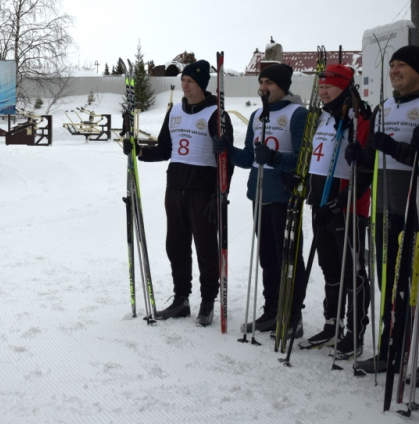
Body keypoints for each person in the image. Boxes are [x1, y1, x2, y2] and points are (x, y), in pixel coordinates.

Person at [124, 59, 234, 326]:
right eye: (183, 80)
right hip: (175, 188)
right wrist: (138, 151)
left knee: (206, 248)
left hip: (203, 190)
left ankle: (208, 300)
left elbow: (226, 160)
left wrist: (219, 195)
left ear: (201, 85)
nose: (184, 85)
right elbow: (164, 149)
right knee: (176, 245)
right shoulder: (174, 111)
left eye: (190, 81)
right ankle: (181, 299)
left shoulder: (216, 114)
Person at [212, 63, 307, 337]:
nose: (263, 88)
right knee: (267, 257)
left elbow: (303, 159)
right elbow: (248, 158)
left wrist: (276, 159)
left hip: (284, 196)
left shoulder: (297, 113)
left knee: (288, 258)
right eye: (261, 82)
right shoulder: (256, 115)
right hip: (260, 194)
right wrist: (227, 150)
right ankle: (272, 310)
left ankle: (292, 315)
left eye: (270, 84)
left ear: (283, 87)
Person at [353, 45, 419, 372]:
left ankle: (412, 354)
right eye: (391, 65)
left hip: (412, 210)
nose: (394, 70)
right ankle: (389, 348)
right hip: (382, 207)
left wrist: (394, 147)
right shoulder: (383, 108)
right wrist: (359, 154)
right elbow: (370, 157)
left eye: (402, 65)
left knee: (411, 283)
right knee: (388, 280)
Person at [300, 64, 371, 359]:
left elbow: (366, 167)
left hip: (347, 205)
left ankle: (355, 332)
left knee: (352, 270)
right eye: (321, 85)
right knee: (329, 267)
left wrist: (343, 200)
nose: (324, 90)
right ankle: (333, 324)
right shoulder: (323, 117)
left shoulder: (359, 116)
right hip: (320, 201)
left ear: (344, 86)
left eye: (330, 85)